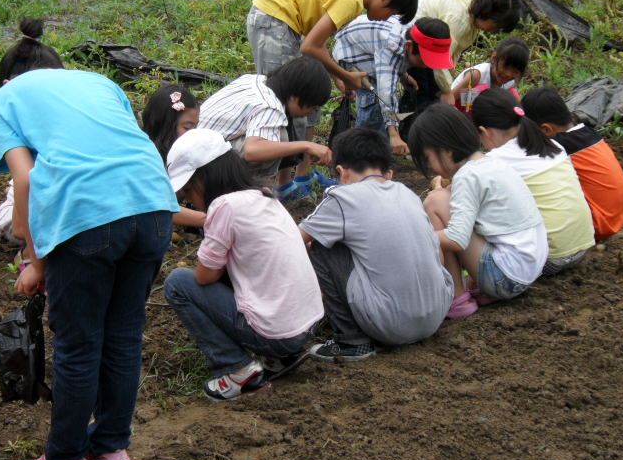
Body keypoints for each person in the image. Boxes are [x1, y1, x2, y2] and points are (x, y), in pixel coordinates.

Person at [0, 18, 176, 460]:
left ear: (9, 79)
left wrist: (34, 261)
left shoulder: (4, 99)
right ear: (59, 69)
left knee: (79, 343)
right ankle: (110, 447)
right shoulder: (98, 81)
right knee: (124, 334)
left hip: (90, 216)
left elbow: (26, 180)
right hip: (154, 205)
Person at [163, 129, 323, 401]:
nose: (189, 199)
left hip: (276, 334)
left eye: (189, 190)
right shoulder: (264, 195)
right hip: (306, 326)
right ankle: (283, 357)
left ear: (206, 178)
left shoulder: (224, 206)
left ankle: (236, 368)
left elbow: (203, 277)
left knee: (178, 282)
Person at [247, 0, 419, 197]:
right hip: (272, 18)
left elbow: (317, 44)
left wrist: (337, 77)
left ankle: (303, 175)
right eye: (390, 13)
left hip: (288, 25)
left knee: (311, 99)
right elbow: (310, 46)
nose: (386, 19)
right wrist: (346, 76)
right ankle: (284, 184)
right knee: (287, 101)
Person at [300, 128, 452, 362]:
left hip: (390, 324)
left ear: (341, 172)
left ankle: (351, 341)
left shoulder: (342, 198)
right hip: (436, 315)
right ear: (386, 170)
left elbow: (295, 239)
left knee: (320, 245)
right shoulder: (408, 194)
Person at [407, 104, 547, 319]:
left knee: (435, 202)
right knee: (444, 199)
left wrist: (415, 237)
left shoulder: (467, 176)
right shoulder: (489, 162)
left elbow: (456, 239)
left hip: (506, 278)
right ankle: (481, 289)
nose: (430, 167)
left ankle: (457, 299)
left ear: (446, 150)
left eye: (428, 158)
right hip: (529, 270)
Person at [472, 88, 595, 275]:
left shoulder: (497, 159)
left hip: (549, 258)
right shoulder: (553, 145)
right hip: (582, 247)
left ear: (484, 132)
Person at [197, 56, 333, 197]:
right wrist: (306, 145)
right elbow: (253, 151)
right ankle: (245, 195)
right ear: (295, 97)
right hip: (201, 163)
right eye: (313, 107)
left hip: (191, 146)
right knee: (277, 139)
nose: (311, 112)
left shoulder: (256, 80)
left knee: (274, 138)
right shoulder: (270, 106)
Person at [331, 16, 453, 156]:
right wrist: (394, 134)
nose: (427, 65)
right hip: (350, 52)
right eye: (425, 59)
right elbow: (386, 92)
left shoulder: (412, 35)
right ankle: (361, 153)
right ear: (409, 46)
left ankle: (377, 151)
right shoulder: (392, 46)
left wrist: (403, 75)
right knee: (374, 102)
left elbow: (395, 63)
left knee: (382, 107)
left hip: (369, 47)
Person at [521, 85, 623, 241]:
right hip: (614, 217)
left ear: (545, 130)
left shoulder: (559, 147)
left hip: (598, 225)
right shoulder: (588, 133)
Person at [413, 0, 519, 92]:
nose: (494, 31)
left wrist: (451, 80)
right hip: (413, 40)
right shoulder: (460, 19)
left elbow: (454, 52)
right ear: (491, 14)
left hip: (428, 46)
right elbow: (439, 60)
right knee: (425, 89)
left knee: (435, 88)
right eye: (497, 27)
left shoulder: (474, 15)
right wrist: (449, 91)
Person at [140, 84, 205, 227]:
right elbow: (159, 208)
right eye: (187, 128)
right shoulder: (147, 159)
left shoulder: (181, 154)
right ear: (165, 125)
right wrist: (213, 219)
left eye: (195, 127)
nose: (193, 134)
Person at [451, 37, 529, 117]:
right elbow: (449, 98)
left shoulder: (512, 82)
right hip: (458, 110)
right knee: (484, 90)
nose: (508, 74)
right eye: (506, 67)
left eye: (515, 71)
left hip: (482, 112)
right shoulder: (476, 75)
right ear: (494, 58)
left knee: (512, 96)